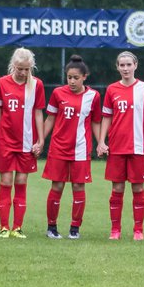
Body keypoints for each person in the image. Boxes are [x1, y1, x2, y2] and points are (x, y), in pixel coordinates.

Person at [97, 51, 144, 241]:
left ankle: (138, 230)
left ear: (135, 65)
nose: (125, 68)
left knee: (138, 189)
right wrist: (101, 142)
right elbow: (106, 117)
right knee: (117, 189)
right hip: (117, 147)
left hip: (138, 147)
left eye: (128, 65)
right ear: (117, 67)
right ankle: (115, 230)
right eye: (122, 65)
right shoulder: (111, 90)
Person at [0, 47, 45, 239]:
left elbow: (38, 112)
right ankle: (4, 227)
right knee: (5, 181)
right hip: (5, 140)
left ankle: (17, 227)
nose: (23, 72)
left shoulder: (37, 85)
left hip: (27, 143)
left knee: (21, 181)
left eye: (27, 69)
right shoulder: (2, 83)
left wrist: (41, 140)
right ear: (13, 65)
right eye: (20, 68)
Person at [41, 55, 101, 239]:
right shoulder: (58, 93)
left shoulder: (94, 96)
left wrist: (101, 143)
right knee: (57, 186)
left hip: (81, 149)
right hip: (59, 148)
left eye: (76, 77)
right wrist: (40, 141)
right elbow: (50, 118)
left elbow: (96, 122)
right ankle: (51, 227)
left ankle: (75, 229)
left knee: (78, 187)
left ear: (85, 76)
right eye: (69, 77)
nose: (72, 81)